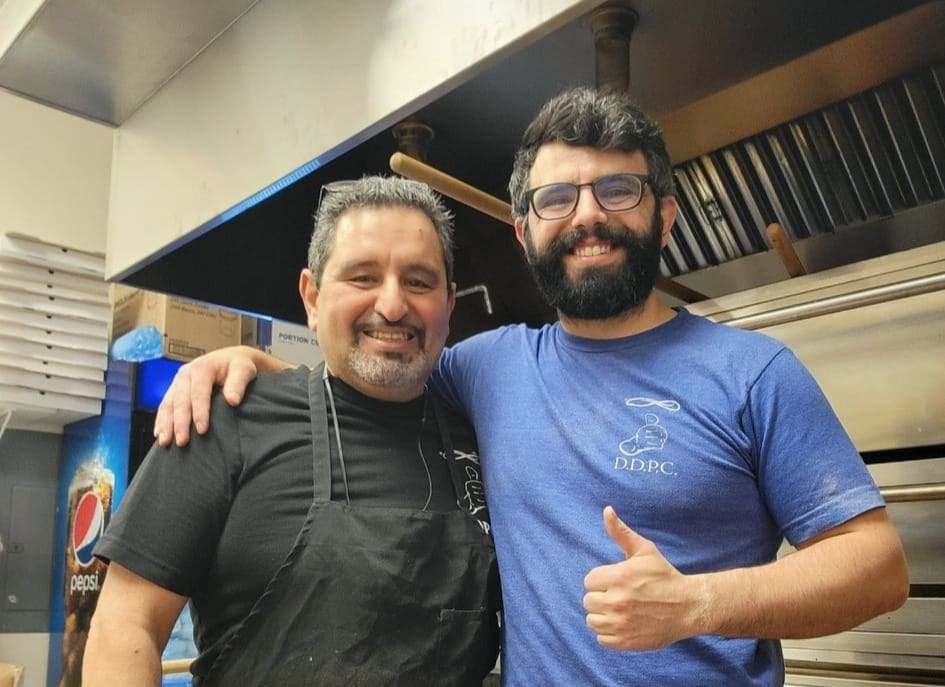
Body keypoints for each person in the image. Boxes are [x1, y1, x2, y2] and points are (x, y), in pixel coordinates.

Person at [154, 88, 909, 686]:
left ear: (665, 216)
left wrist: (696, 604)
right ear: (523, 231)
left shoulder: (753, 373)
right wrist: (246, 365)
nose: (587, 217)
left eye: (617, 189)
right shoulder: (487, 368)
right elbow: (373, 374)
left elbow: (876, 567)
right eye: (557, 199)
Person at [84, 176, 500, 687]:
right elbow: (125, 627)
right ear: (312, 297)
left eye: (418, 282)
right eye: (363, 277)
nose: (393, 305)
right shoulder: (227, 420)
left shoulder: (485, 437)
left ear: (449, 303)